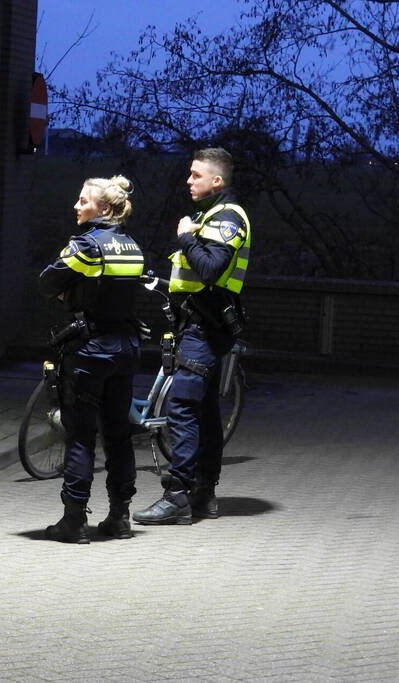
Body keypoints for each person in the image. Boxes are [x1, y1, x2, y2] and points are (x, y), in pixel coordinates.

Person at [133, 147, 250, 525]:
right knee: (205, 412)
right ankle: (204, 494)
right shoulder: (211, 216)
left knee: (182, 409)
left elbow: (212, 269)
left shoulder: (228, 217)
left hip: (203, 328)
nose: (188, 180)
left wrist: (185, 237)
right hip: (201, 324)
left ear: (217, 180)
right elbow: (196, 277)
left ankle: (178, 495)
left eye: (196, 174)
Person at [38, 176, 145, 543]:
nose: (76, 206)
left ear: (102, 208)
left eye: (83, 201)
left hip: (91, 350)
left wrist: (69, 291)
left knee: (81, 435)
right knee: (119, 435)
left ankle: (74, 521)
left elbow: (47, 282)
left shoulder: (87, 245)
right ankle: (120, 517)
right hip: (126, 348)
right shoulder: (132, 246)